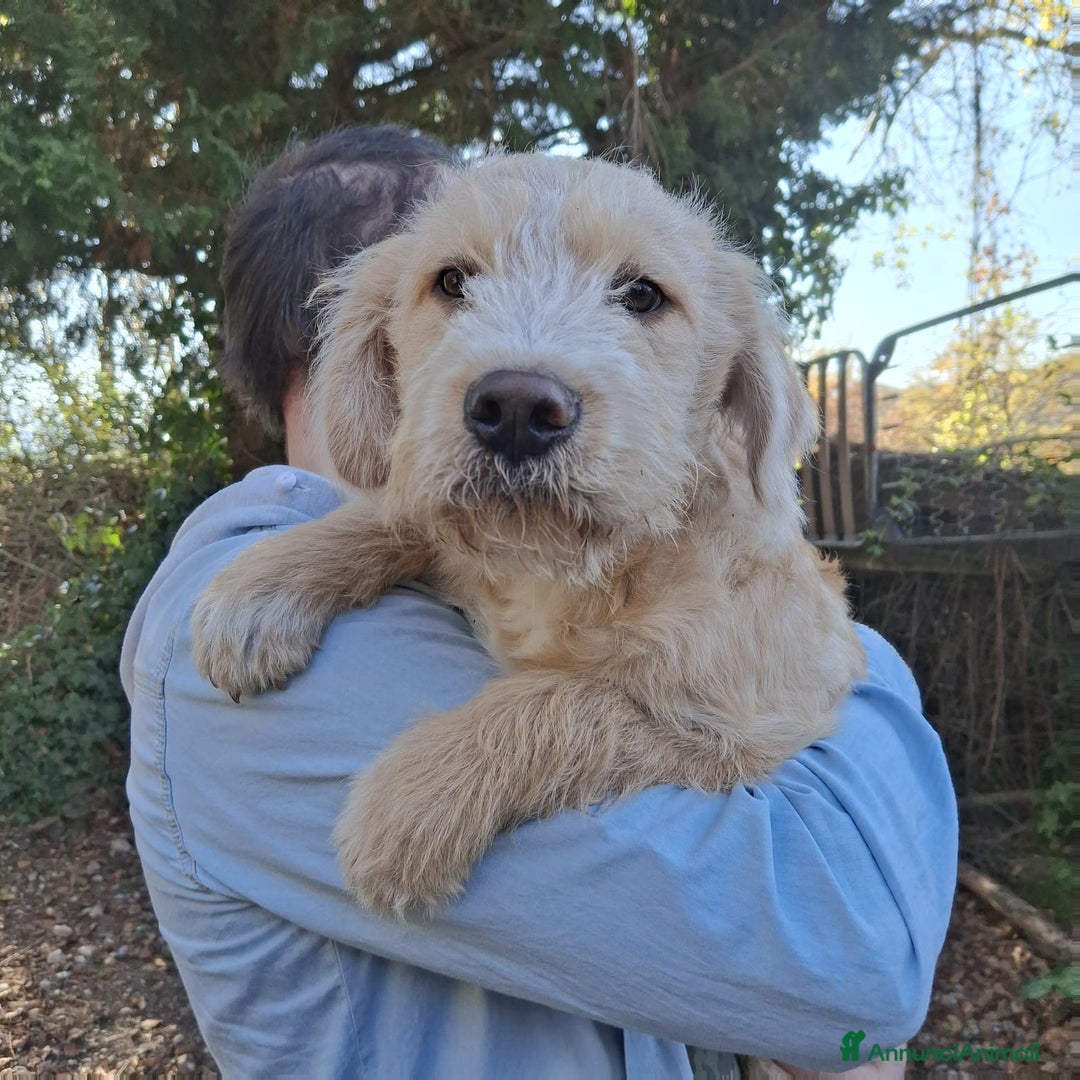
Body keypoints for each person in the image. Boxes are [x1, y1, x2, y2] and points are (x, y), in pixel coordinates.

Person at [121, 125, 958, 1079]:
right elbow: (858, 968)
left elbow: (746, 713)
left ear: (741, 386)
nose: (524, 352)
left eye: (638, 297)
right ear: (364, 344)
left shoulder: (685, 561)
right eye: (458, 282)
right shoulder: (222, 634)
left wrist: (529, 735)